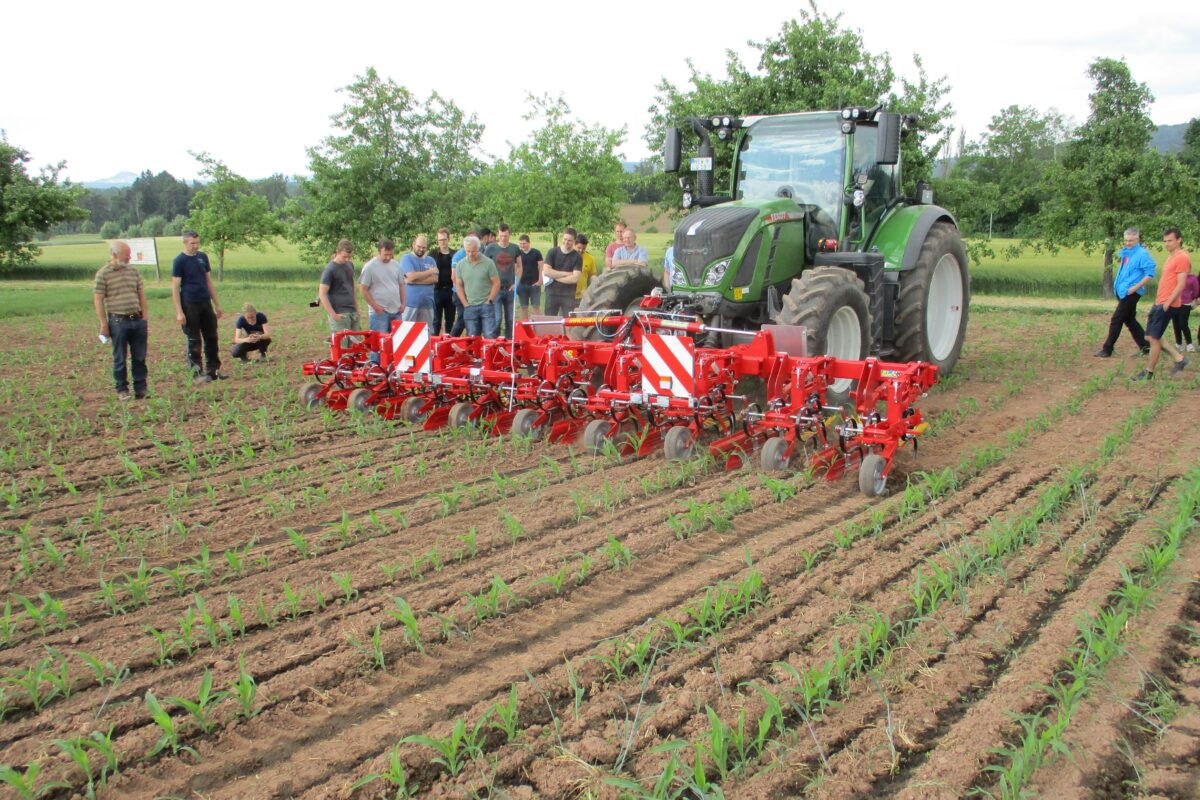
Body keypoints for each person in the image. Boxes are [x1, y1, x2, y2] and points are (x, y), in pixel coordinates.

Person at [1133, 228, 1190, 381]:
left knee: (1153, 337)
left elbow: (1181, 284)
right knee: (1150, 336)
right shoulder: (1171, 257)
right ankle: (1179, 358)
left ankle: (1148, 372)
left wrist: (1167, 303)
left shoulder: (1182, 257)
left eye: (1170, 240)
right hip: (1160, 302)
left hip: (1167, 304)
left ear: (1179, 240)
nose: (1167, 244)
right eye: (1165, 241)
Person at [94, 240, 149, 400]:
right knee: (120, 357)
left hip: (137, 319)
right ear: (114, 255)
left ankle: (141, 388)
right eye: (126, 256)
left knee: (139, 356)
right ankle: (122, 390)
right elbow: (98, 300)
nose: (129, 259)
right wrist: (103, 324)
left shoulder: (133, 272)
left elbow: (141, 294)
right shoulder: (103, 274)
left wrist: (144, 317)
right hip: (118, 321)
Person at [172, 230, 226, 383]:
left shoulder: (202, 257)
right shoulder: (179, 261)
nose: (195, 246)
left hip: (205, 302)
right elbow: (175, 287)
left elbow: (208, 281)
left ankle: (213, 370)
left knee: (212, 336)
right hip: (189, 303)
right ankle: (196, 373)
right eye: (192, 243)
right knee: (194, 339)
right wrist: (179, 312)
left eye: (197, 243)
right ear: (185, 243)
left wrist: (217, 304)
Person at [1095, 227, 1154, 358]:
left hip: (1132, 293)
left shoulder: (1142, 254)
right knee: (1130, 320)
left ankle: (1107, 349)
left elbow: (1150, 274)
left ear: (1137, 239)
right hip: (1123, 292)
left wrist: (1135, 288)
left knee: (1116, 319)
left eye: (1131, 241)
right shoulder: (1127, 253)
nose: (1128, 243)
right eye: (1126, 240)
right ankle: (1145, 347)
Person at [360, 238, 406, 363]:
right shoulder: (370, 267)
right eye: (385, 254)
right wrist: (375, 306)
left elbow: (401, 285)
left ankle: (394, 367)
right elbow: (363, 289)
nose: (388, 257)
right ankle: (376, 370)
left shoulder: (396, 265)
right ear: (379, 251)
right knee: (378, 343)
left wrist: (403, 303)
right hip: (380, 312)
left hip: (396, 310)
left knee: (397, 342)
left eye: (390, 254)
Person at [454, 235, 500, 336]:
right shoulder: (460, 265)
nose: (470, 254)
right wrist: (465, 303)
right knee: (472, 337)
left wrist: (490, 300)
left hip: (486, 305)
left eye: (473, 251)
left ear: (478, 249)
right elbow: (459, 285)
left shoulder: (488, 263)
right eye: (468, 251)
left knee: (489, 335)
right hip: (470, 306)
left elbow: (496, 283)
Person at [318, 239, 359, 348]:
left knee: (356, 346)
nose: (347, 259)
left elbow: (352, 287)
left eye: (349, 257)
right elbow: (322, 294)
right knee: (341, 347)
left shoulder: (350, 265)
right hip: (339, 313)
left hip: (352, 311)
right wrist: (333, 314)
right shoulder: (330, 270)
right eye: (344, 257)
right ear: (338, 252)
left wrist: (356, 307)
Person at [485, 223, 521, 338]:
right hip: (496, 289)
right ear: (498, 235)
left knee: (510, 319)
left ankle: (509, 342)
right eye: (501, 236)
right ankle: (494, 341)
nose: (503, 238)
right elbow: (485, 266)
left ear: (509, 235)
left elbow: (520, 266)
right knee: (497, 318)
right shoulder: (491, 248)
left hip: (509, 288)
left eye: (505, 236)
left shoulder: (514, 248)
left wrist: (516, 283)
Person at [542, 228, 582, 317]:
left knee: (568, 323)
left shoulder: (577, 257)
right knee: (549, 321)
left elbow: (575, 279)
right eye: (565, 239)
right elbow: (546, 271)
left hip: (568, 295)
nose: (566, 242)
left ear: (574, 241)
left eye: (570, 240)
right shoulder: (552, 252)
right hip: (551, 293)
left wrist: (554, 276)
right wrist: (566, 274)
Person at [401, 234, 438, 324]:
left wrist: (414, 280)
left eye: (424, 247)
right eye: (419, 246)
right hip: (410, 303)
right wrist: (429, 272)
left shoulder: (431, 260)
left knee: (425, 333)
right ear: (414, 244)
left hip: (427, 304)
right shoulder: (406, 258)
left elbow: (434, 279)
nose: (421, 249)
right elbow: (411, 277)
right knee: (407, 332)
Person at [449, 230, 476, 336]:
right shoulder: (458, 256)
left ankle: (470, 343)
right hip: (459, 293)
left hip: (472, 294)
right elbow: (453, 277)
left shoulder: (478, 254)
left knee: (471, 320)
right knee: (462, 319)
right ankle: (451, 340)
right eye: (469, 240)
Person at [432, 228, 457, 335]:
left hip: (451, 290)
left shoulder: (454, 254)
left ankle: (448, 345)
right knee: (436, 320)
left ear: (448, 239)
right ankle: (434, 344)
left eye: (444, 239)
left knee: (450, 320)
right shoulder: (433, 254)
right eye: (440, 240)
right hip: (436, 290)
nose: (442, 242)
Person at [516, 234, 543, 320]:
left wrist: (540, 281)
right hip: (522, 284)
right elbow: (515, 268)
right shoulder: (518, 254)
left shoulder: (536, 253)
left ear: (529, 243)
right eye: (521, 244)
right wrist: (516, 282)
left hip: (534, 284)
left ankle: (537, 327)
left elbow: (541, 267)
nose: (522, 245)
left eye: (524, 243)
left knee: (536, 307)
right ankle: (525, 327)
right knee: (523, 307)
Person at [1173, 268, 1198, 352]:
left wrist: (1190, 298)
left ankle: (1189, 344)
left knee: (1183, 323)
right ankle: (1178, 343)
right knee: (1175, 323)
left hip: (1186, 303)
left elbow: (1196, 291)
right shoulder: (1175, 276)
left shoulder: (1192, 279)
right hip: (1175, 302)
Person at [575, 234, 596, 302]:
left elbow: (593, 275)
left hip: (582, 296)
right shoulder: (568, 256)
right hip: (567, 295)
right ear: (574, 245)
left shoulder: (590, 258)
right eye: (579, 248)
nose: (581, 250)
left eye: (583, 248)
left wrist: (594, 280)